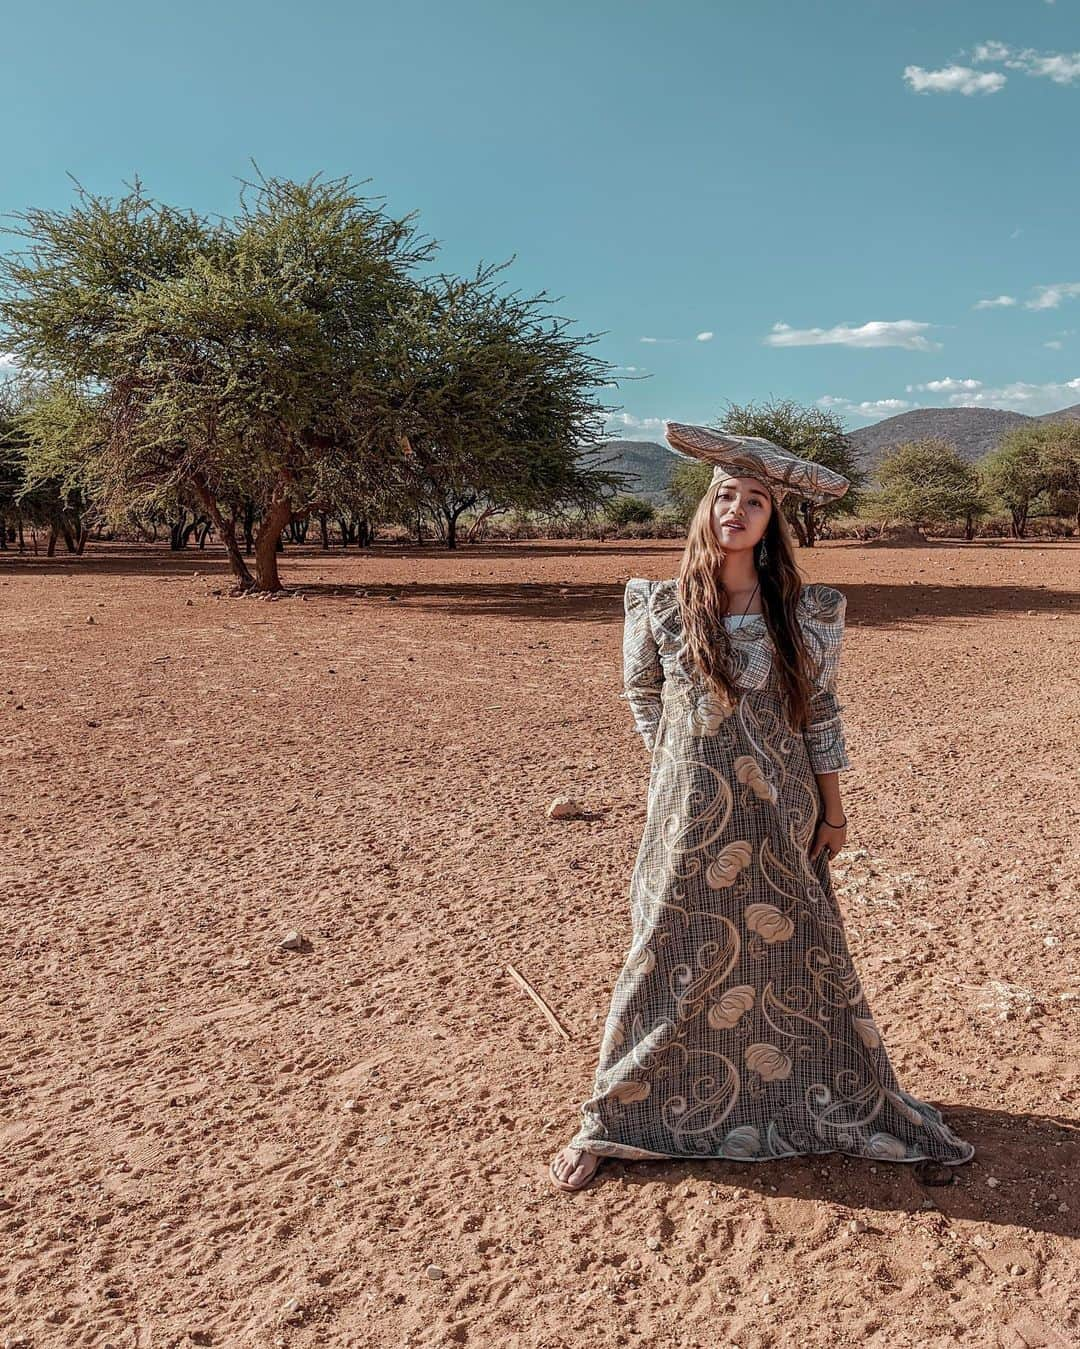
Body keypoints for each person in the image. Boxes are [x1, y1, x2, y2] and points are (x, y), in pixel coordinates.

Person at [549, 421, 976, 1193]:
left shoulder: (805, 610)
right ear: (704, 509)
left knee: (794, 957)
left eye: (754, 500)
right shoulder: (657, 603)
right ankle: (612, 1118)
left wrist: (833, 812)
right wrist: (680, 760)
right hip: (686, 817)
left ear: (773, 521)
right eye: (724, 496)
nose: (736, 510)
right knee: (664, 953)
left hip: (781, 812)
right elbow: (642, 693)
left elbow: (821, 713)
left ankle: (820, 1099)